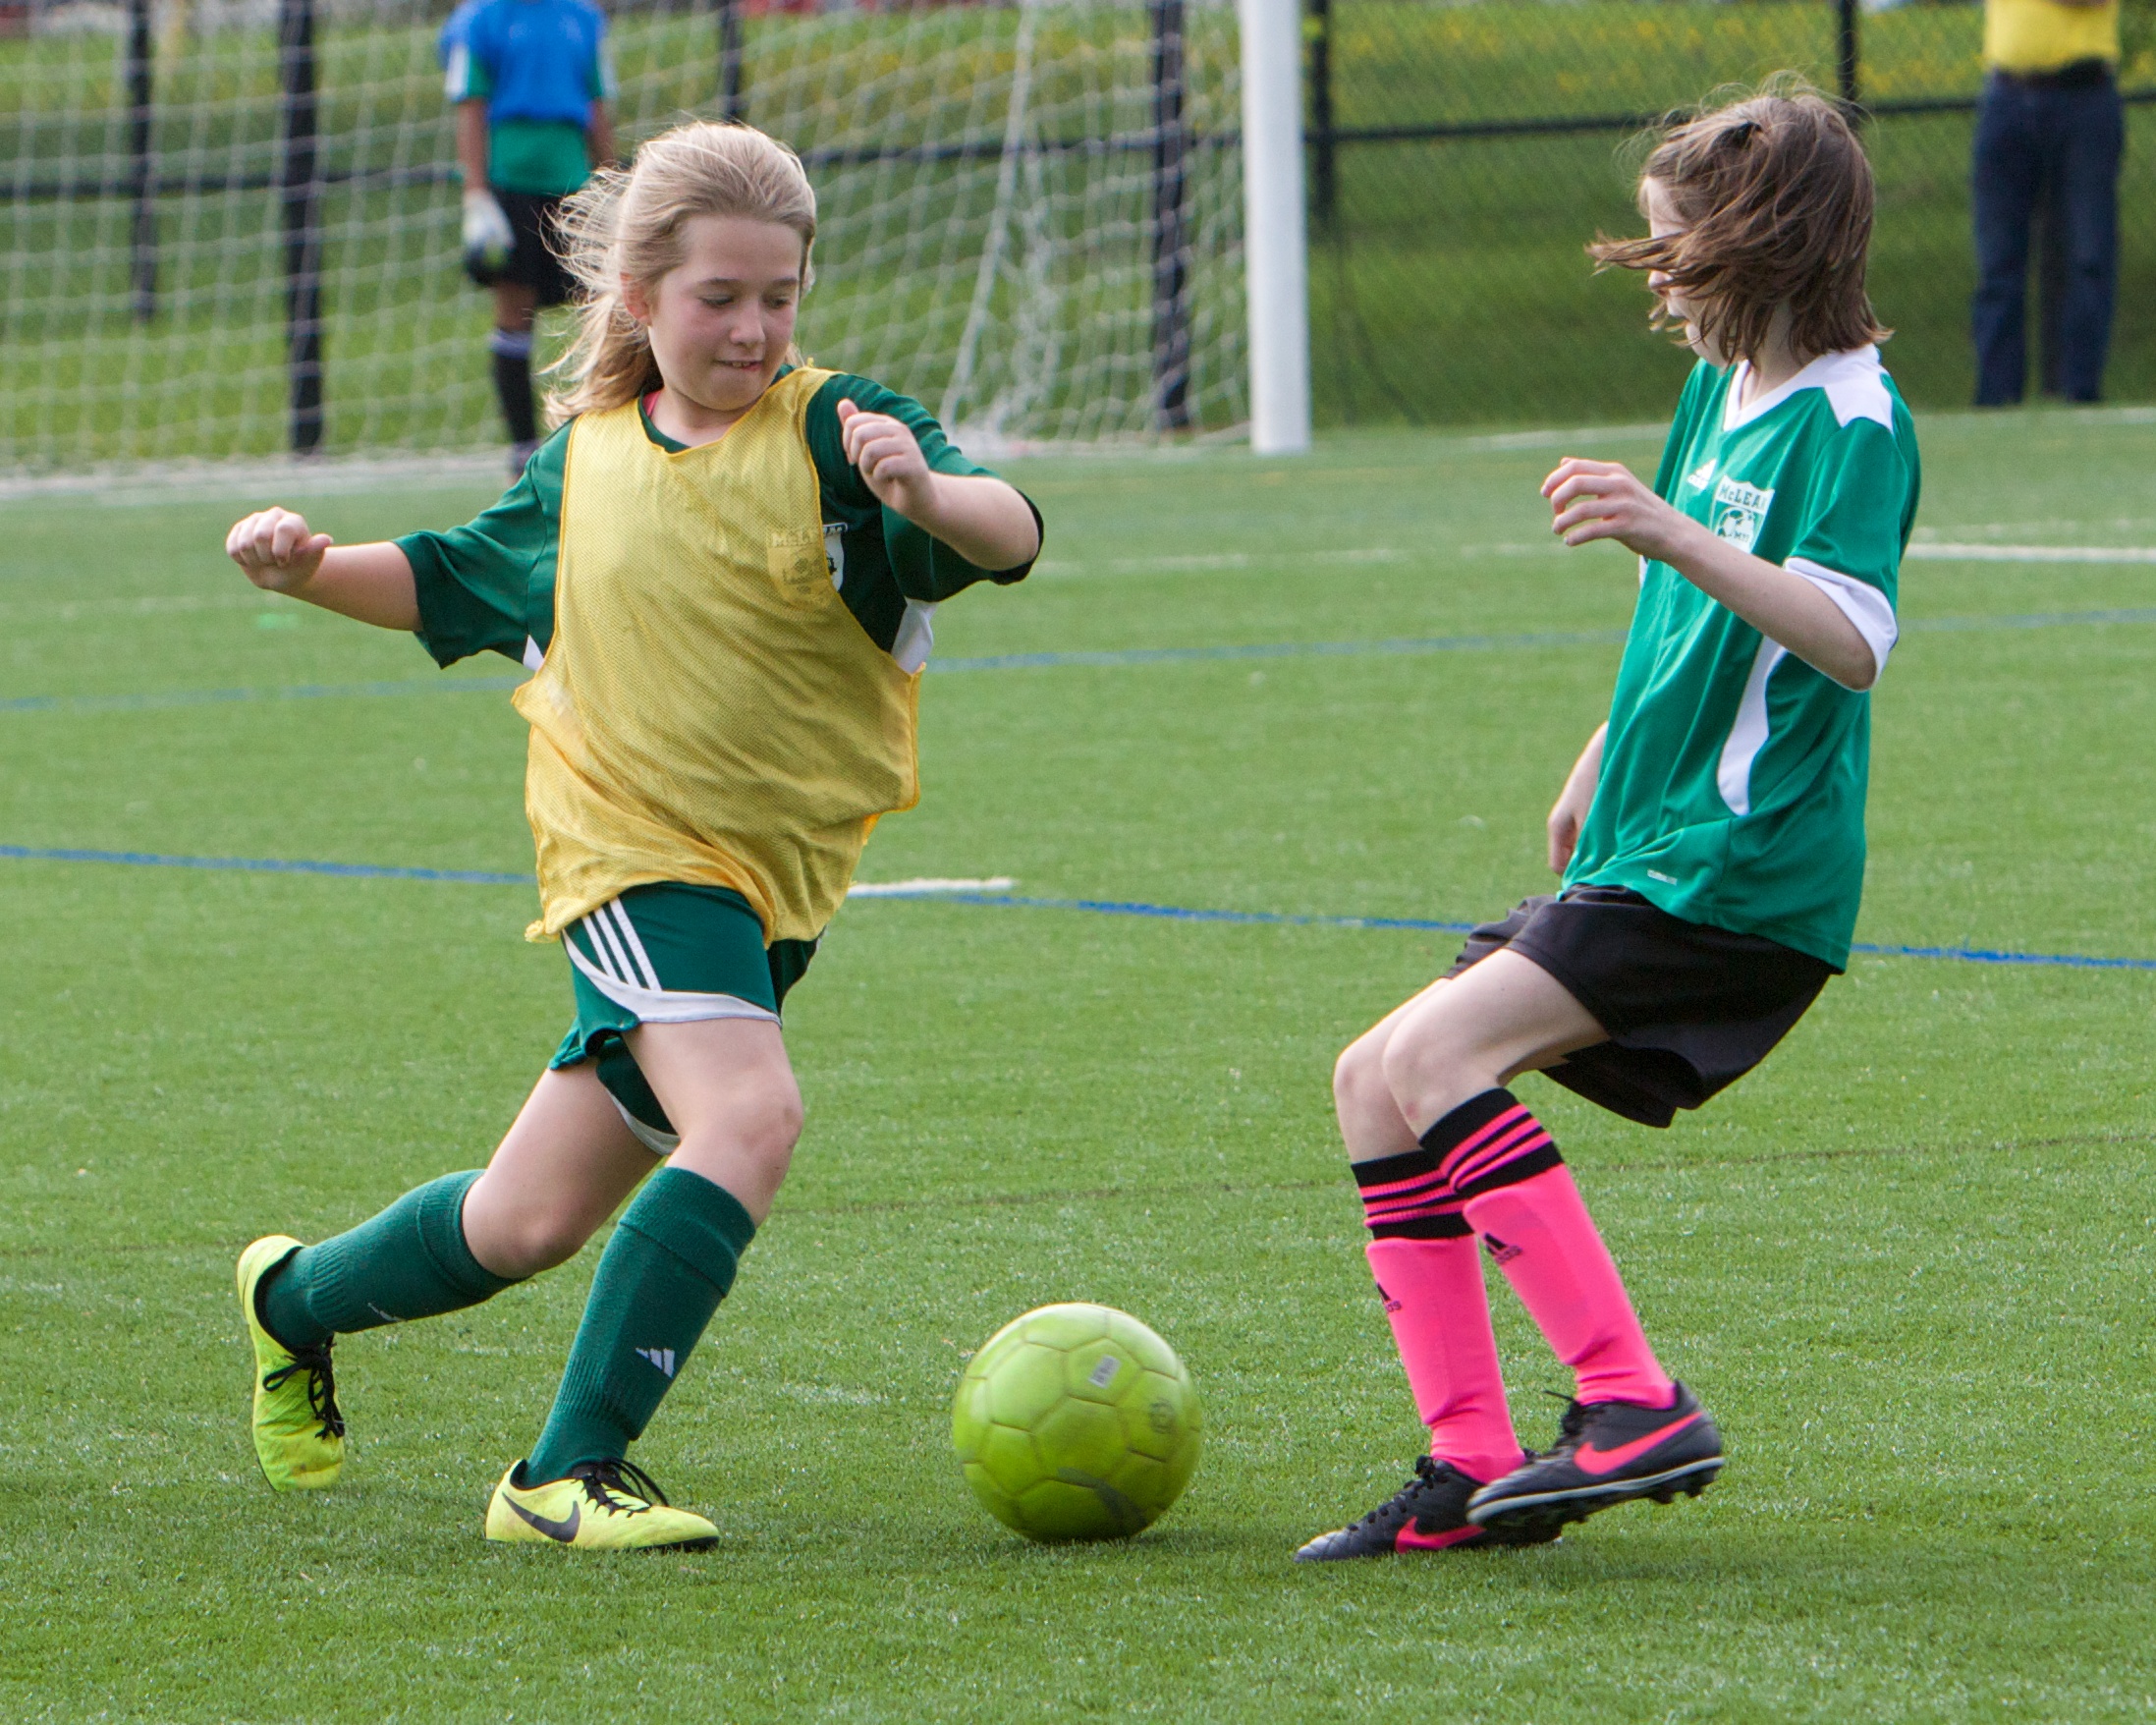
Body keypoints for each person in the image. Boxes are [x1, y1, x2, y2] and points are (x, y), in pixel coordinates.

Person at [223, 121, 1044, 1551]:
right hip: (627, 853)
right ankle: (560, 1474)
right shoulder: (586, 462)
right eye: (718, 296)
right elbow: (443, 582)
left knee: (521, 1225)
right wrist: (305, 573)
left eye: (777, 294)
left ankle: (289, 1299)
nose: (751, 325)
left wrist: (921, 493)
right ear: (642, 300)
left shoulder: (840, 431)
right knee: (752, 1116)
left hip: (765, 886)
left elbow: (1010, 530)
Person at [1296, 83, 1919, 1562]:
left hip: (1740, 867)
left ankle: (1629, 1398)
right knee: (1369, 1080)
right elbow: (1688, 621)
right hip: (1656, 839)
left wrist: (1666, 526)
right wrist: (1601, 742)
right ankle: (1466, 1464)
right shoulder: (1723, 385)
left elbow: (1845, 640)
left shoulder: (1850, 420)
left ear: (1755, 255)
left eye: (1671, 266)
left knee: (1434, 1055)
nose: (1656, 297)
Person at [442, 0, 617, 473]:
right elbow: (470, 108)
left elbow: (596, 107)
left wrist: (611, 186)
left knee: (601, 311)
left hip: (572, 188)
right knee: (515, 312)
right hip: (510, 187)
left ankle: (599, 434)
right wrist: (477, 196)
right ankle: (523, 449)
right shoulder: (481, 20)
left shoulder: (584, 19)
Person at [1969, 0, 2124, 405]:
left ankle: (2080, 393)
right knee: (1998, 263)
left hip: (2085, 98)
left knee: (2088, 257)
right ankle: (1996, 400)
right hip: (2007, 95)